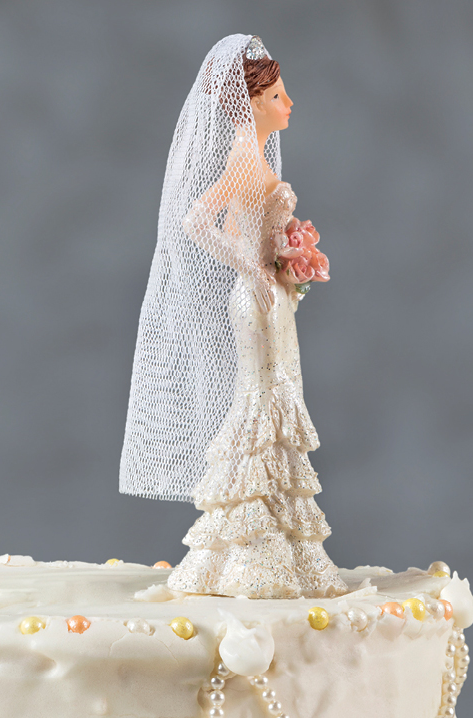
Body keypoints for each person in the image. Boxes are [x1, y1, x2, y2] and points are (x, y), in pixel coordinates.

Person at [120, 35, 345, 598]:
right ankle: (251, 548)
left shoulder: (253, 153)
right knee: (262, 399)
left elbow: (222, 223)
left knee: (275, 395)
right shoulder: (246, 156)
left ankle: (273, 546)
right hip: (257, 300)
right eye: (278, 94)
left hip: (269, 295)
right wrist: (254, 267)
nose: (288, 103)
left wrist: (282, 263)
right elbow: (198, 220)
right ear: (253, 103)